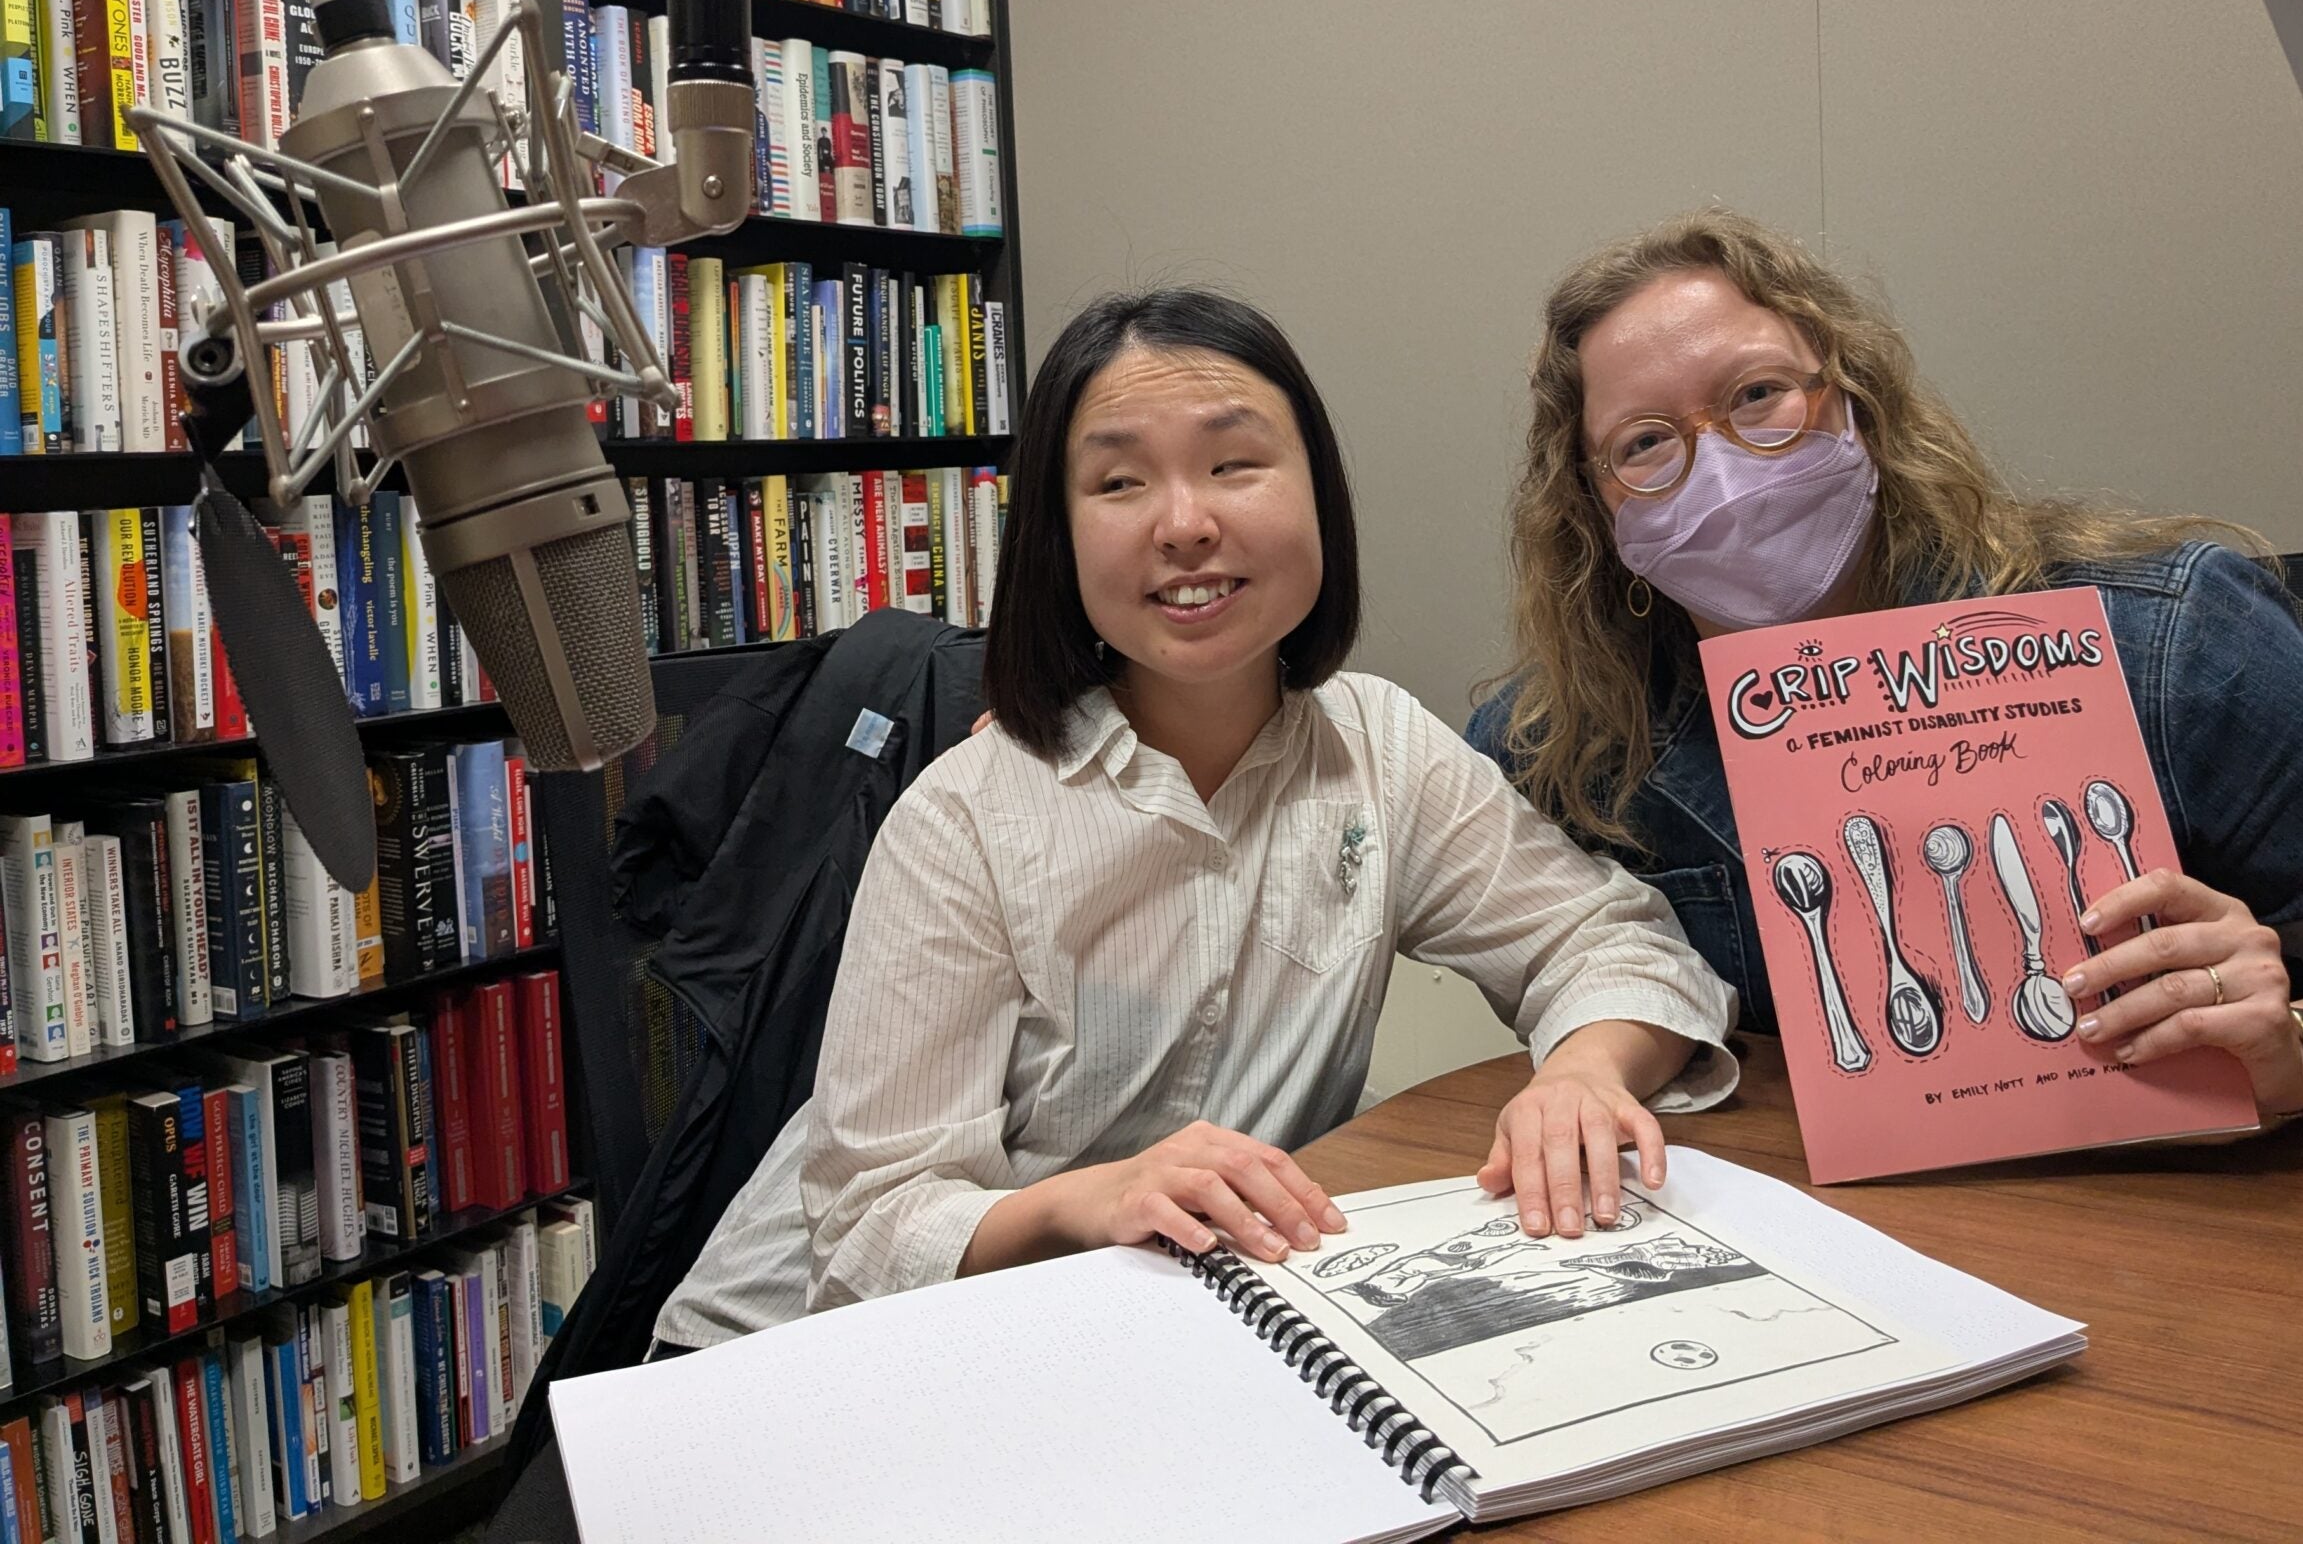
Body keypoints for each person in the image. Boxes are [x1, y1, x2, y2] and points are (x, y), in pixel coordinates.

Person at [650, 287, 1735, 1352]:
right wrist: (1093, 1199)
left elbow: (1605, 939)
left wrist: (1582, 1073)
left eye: (1233, 465)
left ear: (1318, 493)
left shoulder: (1380, 751)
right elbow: (865, 1230)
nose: (1185, 524)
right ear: (1055, 540)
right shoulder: (969, 816)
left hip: (1139, 1335)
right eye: (1118, 482)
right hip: (789, 1364)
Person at [1466, 207, 2303, 1123]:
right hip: (1833, 1257)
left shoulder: (2171, 647)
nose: (1721, 468)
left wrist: (2301, 1049)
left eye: (1757, 396)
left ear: (1857, 404)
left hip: (2215, 1231)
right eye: (1645, 444)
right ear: (1594, 508)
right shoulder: (1558, 755)